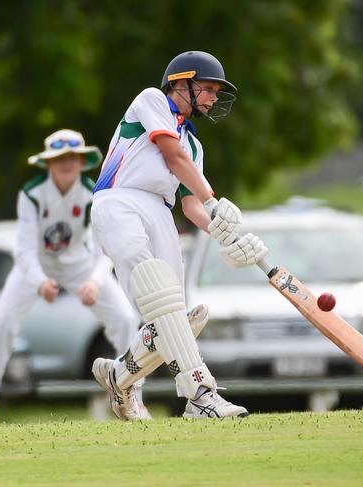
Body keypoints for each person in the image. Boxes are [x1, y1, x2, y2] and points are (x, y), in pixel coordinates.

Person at [89, 51, 268, 420]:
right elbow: (171, 156)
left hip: (161, 211)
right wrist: (214, 200)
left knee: (174, 315)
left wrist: (226, 235)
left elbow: (190, 207)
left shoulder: (195, 145)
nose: (213, 99)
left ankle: (119, 376)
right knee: (160, 299)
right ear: (181, 83)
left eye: (216, 93)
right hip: (120, 201)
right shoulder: (151, 100)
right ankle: (201, 396)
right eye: (208, 89)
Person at [0, 129, 148, 426]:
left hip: (80, 264)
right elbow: (24, 248)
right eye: (59, 159)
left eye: (72, 158)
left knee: (125, 318)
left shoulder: (94, 192)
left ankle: (134, 400)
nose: (66, 164)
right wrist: (40, 281)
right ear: (48, 164)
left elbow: (104, 245)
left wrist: (94, 281)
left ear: (82, 162)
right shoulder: (32, 194)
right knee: (2, 321)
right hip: (37, 264)